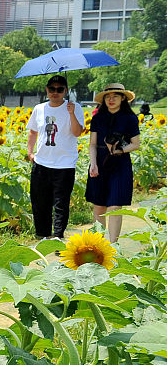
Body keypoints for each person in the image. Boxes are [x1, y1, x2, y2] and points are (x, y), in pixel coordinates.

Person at [25, 74, 85, 239]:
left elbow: (77, 132)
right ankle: (43, 237)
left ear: (65, 91)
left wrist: (71, 114)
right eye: (52, 89)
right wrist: (30, 153)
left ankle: (58, 236)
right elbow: (33, 131)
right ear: (47, 90)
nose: (55, 92)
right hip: (42, 163)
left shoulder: (75, 107)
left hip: (64, 165)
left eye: (59, 89)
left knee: (61, 204)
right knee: (39, 203)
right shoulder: (39, 108)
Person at [85, 83, 142, 243]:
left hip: (120, 164)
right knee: (99, 207)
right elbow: (92, 144)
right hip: (99, 163)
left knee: (115, 206)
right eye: (108, 97)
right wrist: (93, 163)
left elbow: (135, 144)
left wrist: (120, 150)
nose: (111, 99)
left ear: (123, 98)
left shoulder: (130, 119)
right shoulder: (97, 118)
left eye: (115, 96)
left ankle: (113, 246)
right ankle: (99, 245)